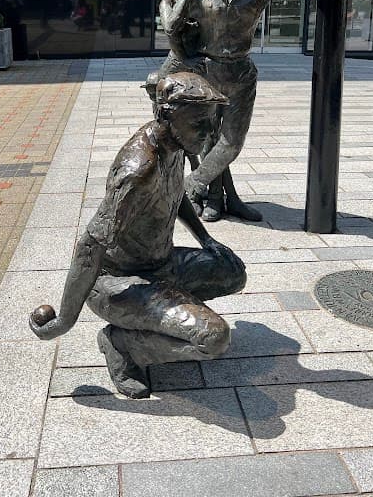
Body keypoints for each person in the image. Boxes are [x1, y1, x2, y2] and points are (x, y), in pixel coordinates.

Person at [29, 71, 246, 399]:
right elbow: (89, 248)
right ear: (167, 115)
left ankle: (164, 318)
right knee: (214, 338)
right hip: (118, 282)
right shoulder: (138, 170)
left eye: (212, 122)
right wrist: (63, 321)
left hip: (160, 263)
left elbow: (176, 195)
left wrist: (207, 240)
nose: (209, 133)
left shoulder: (175, 145)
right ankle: (122, 344)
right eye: (200, 123)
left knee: (232, 273)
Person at [178, 0, 317, 221]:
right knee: (209, 140)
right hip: (207, 71)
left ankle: (192, 184)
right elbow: (175, 17)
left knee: (231, 142)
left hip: (240, 74)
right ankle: (217, 199)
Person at [158, 0, 252, 222]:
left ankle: (219, 198)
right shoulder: (171, 1)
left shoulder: (207, 1)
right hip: (176, 81)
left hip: (202, 78)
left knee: (214, 139)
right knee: (193, 144)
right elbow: (171, 28)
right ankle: (206, 197)